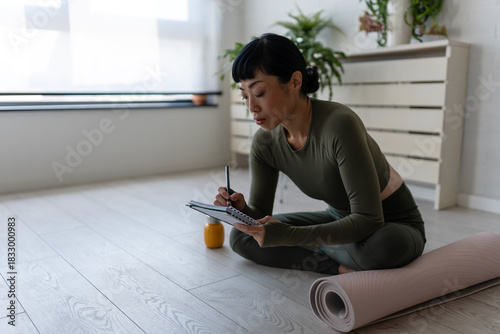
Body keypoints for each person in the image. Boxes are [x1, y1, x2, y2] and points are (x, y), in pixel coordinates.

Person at [214, 33, 426, 275]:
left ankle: (328, 249)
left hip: (390, 222)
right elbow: (260, 219)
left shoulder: (339, 124)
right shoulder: (264, 143)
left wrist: (291, 237)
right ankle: (341, 266)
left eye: (259, 93)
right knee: (243, 238)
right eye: (244, 96)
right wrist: (241, 210)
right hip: (338, 220)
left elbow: (369, 219)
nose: (251, 107)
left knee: (385, 246)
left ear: (295, 82)